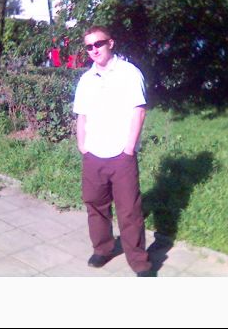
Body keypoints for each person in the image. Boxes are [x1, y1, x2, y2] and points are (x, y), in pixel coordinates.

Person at [73, 25, 154, 277]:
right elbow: (81, 115)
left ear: (110, 43)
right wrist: (82, 145)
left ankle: (139, 262)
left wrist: (129, 148)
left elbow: (139, 111)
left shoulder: (129, 73)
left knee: (129, 210)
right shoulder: (86, 80)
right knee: (95, 205)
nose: (94, 50)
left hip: (121, 155)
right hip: (93, 154)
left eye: (98, 44)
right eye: (89, 46)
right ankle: (103, 249)